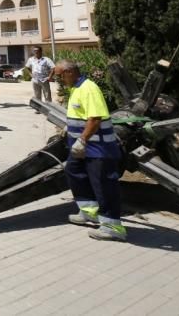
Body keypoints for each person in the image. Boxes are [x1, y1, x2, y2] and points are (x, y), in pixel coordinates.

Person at [53, 59, 126, 242]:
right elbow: (81, 115)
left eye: (60, 76)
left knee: (103, 184)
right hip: (84, 147)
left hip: (97, 147)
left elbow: (95, 118)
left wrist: (83, 140)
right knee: (73, 171)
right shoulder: (76, 88)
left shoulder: (89, 88)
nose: (60, 80)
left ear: (70, 72)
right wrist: (70, 128)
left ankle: (113, 226)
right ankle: (89, 211)